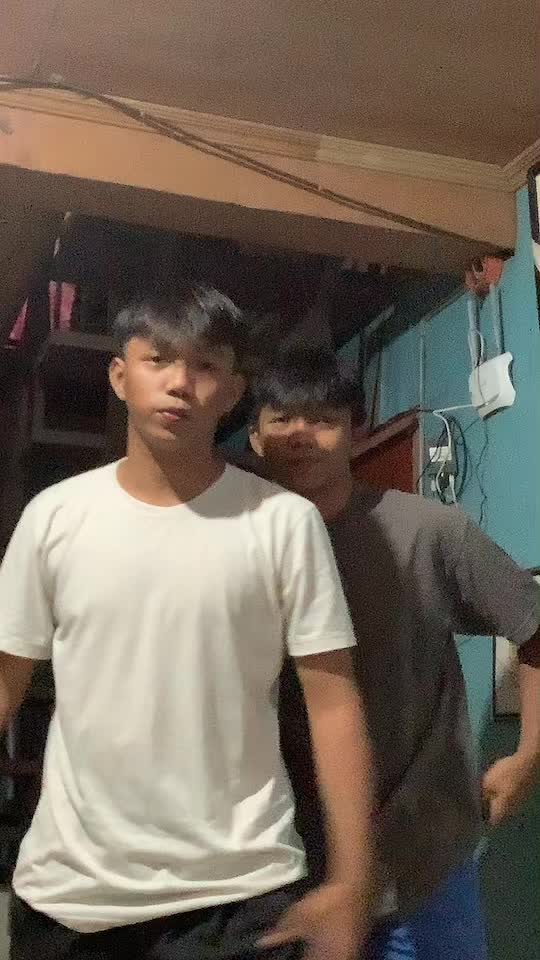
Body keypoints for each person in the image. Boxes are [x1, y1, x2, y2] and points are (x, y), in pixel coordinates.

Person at [0, 292, 374, 960]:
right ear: (120, 376)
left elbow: (334, 704)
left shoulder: (283, 523)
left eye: (204, 365)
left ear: (232, 391)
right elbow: (5, 682)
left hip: (240, 896)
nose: (179, 382)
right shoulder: (54, 518)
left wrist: (351, 881)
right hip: (71, 897)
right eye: (159, 359)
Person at [246, 346, 540, 960]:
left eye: (323, 419)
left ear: (358, 433)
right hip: (284, 871)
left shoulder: (428, 531)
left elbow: (532, 624)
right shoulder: (229, 549)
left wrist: (528, 755)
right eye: (282, 418)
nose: (301, 434)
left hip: (425, 864)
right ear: (254, 437)